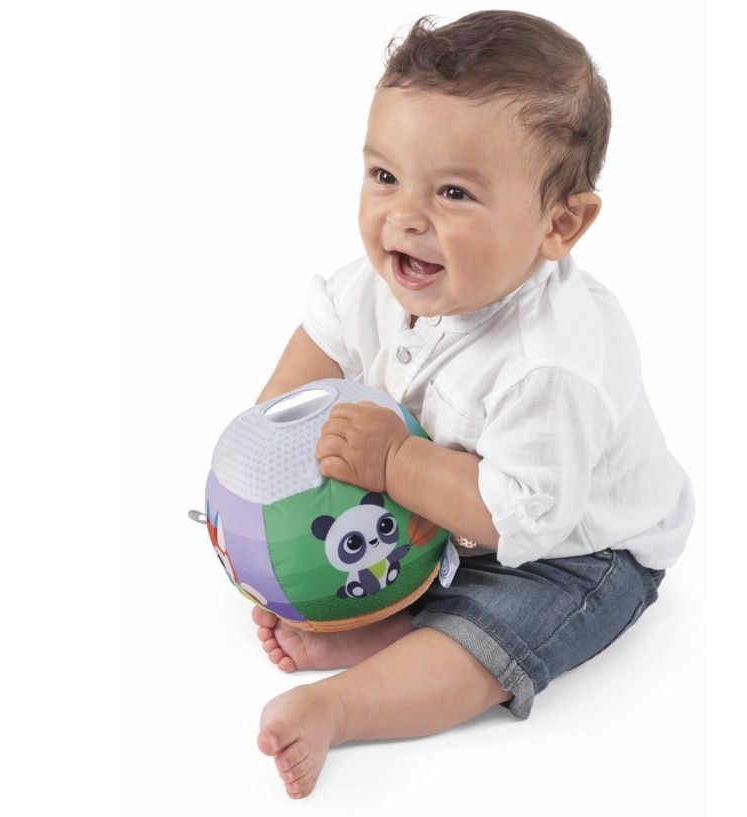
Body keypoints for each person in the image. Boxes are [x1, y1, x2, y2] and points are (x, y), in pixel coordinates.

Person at [249, 11, 694, 799]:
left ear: (560, 223)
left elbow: (518, 515)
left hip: (573, 548)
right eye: (384, 177)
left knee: (500, 628)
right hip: (447, 509)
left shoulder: (549, 364)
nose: (404, 217)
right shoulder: (388, 277)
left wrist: (395, 460)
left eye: (453, 192)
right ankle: (392, 616)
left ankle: (343, 705)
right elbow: (316, 351)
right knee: (359, 515)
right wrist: (264, 464)